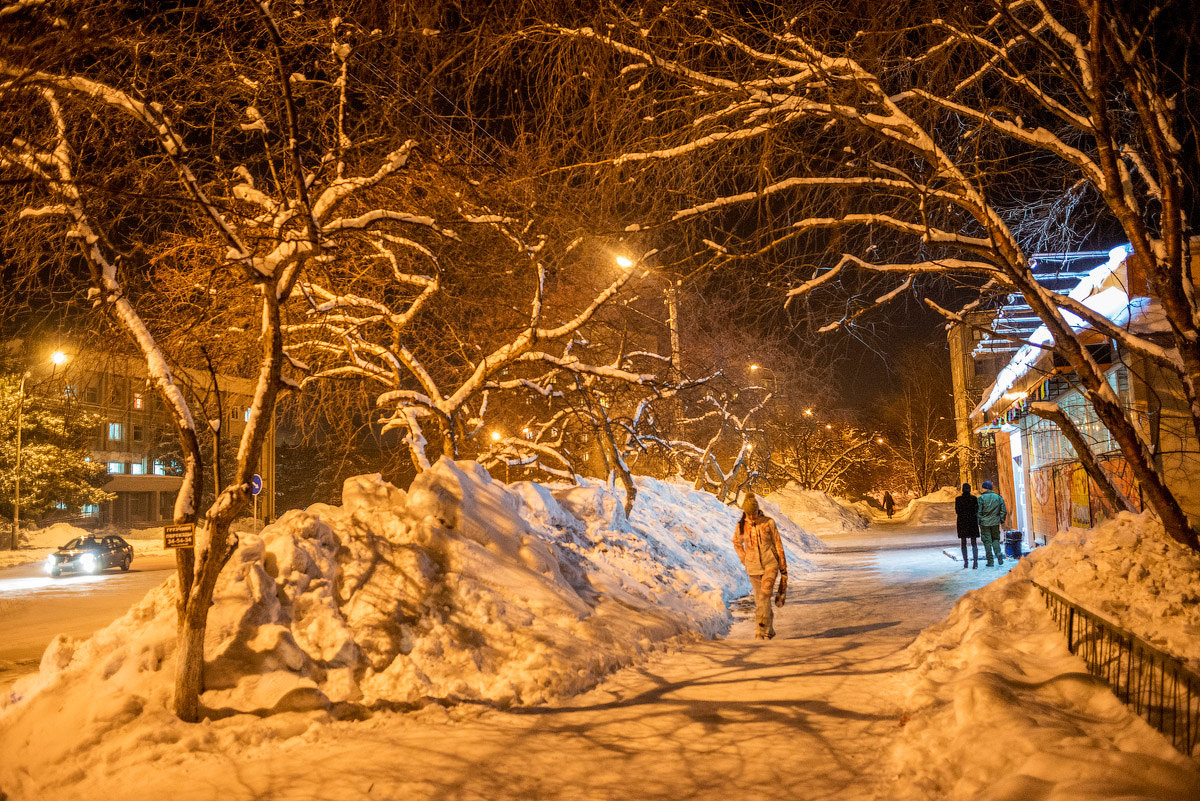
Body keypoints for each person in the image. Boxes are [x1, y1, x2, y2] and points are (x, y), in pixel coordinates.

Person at [732, 493, 787, 640]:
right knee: (760, 600)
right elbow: (736, 542)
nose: (751, 516)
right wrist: (744, 558)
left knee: (764, 596)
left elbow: (778, 544)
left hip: (770, 565)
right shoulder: (741, 526)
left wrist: (783, 568)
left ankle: (760, 629)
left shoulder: (768, 523)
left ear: (758, 510)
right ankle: (769, 629)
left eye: (754, 513)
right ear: (745, 512)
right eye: (748, 513)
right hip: (753, 568)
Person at [977, 480, 1008, 567]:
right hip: (995, 522)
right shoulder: (998, 498)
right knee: (995, 539)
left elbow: (978, 512)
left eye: (983, 488)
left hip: (984, 523)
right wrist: (1001, 520)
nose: (982, 489)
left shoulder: (980, 499)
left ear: (985, 488)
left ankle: (990, 561)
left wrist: (979, 521)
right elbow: (1003, 511)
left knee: (987, 542)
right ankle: (999, 556)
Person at [954, 483, 980, 569]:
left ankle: (966, 563)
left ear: (962, 490)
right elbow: (977, 510)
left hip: (962, 522)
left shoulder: (958, 499)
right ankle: (975, 563)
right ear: (970, 489)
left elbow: (957, 511)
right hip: (972, 522)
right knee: (974, 543)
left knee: (963, 542)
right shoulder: (974, 499)